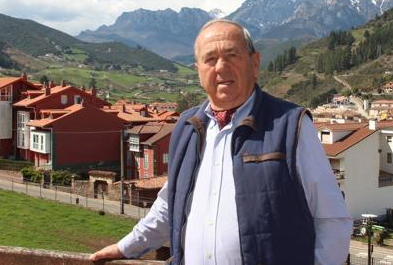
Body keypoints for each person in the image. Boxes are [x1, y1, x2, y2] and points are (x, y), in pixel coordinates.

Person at [90, 19, 352, 264]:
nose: (221, 67)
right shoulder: (186, 127)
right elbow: (170, 205)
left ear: (255, 63)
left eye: (232, 56)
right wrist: (125, 248)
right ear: (198, 71)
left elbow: (333, 219)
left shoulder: (291, 125)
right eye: (210, 59)